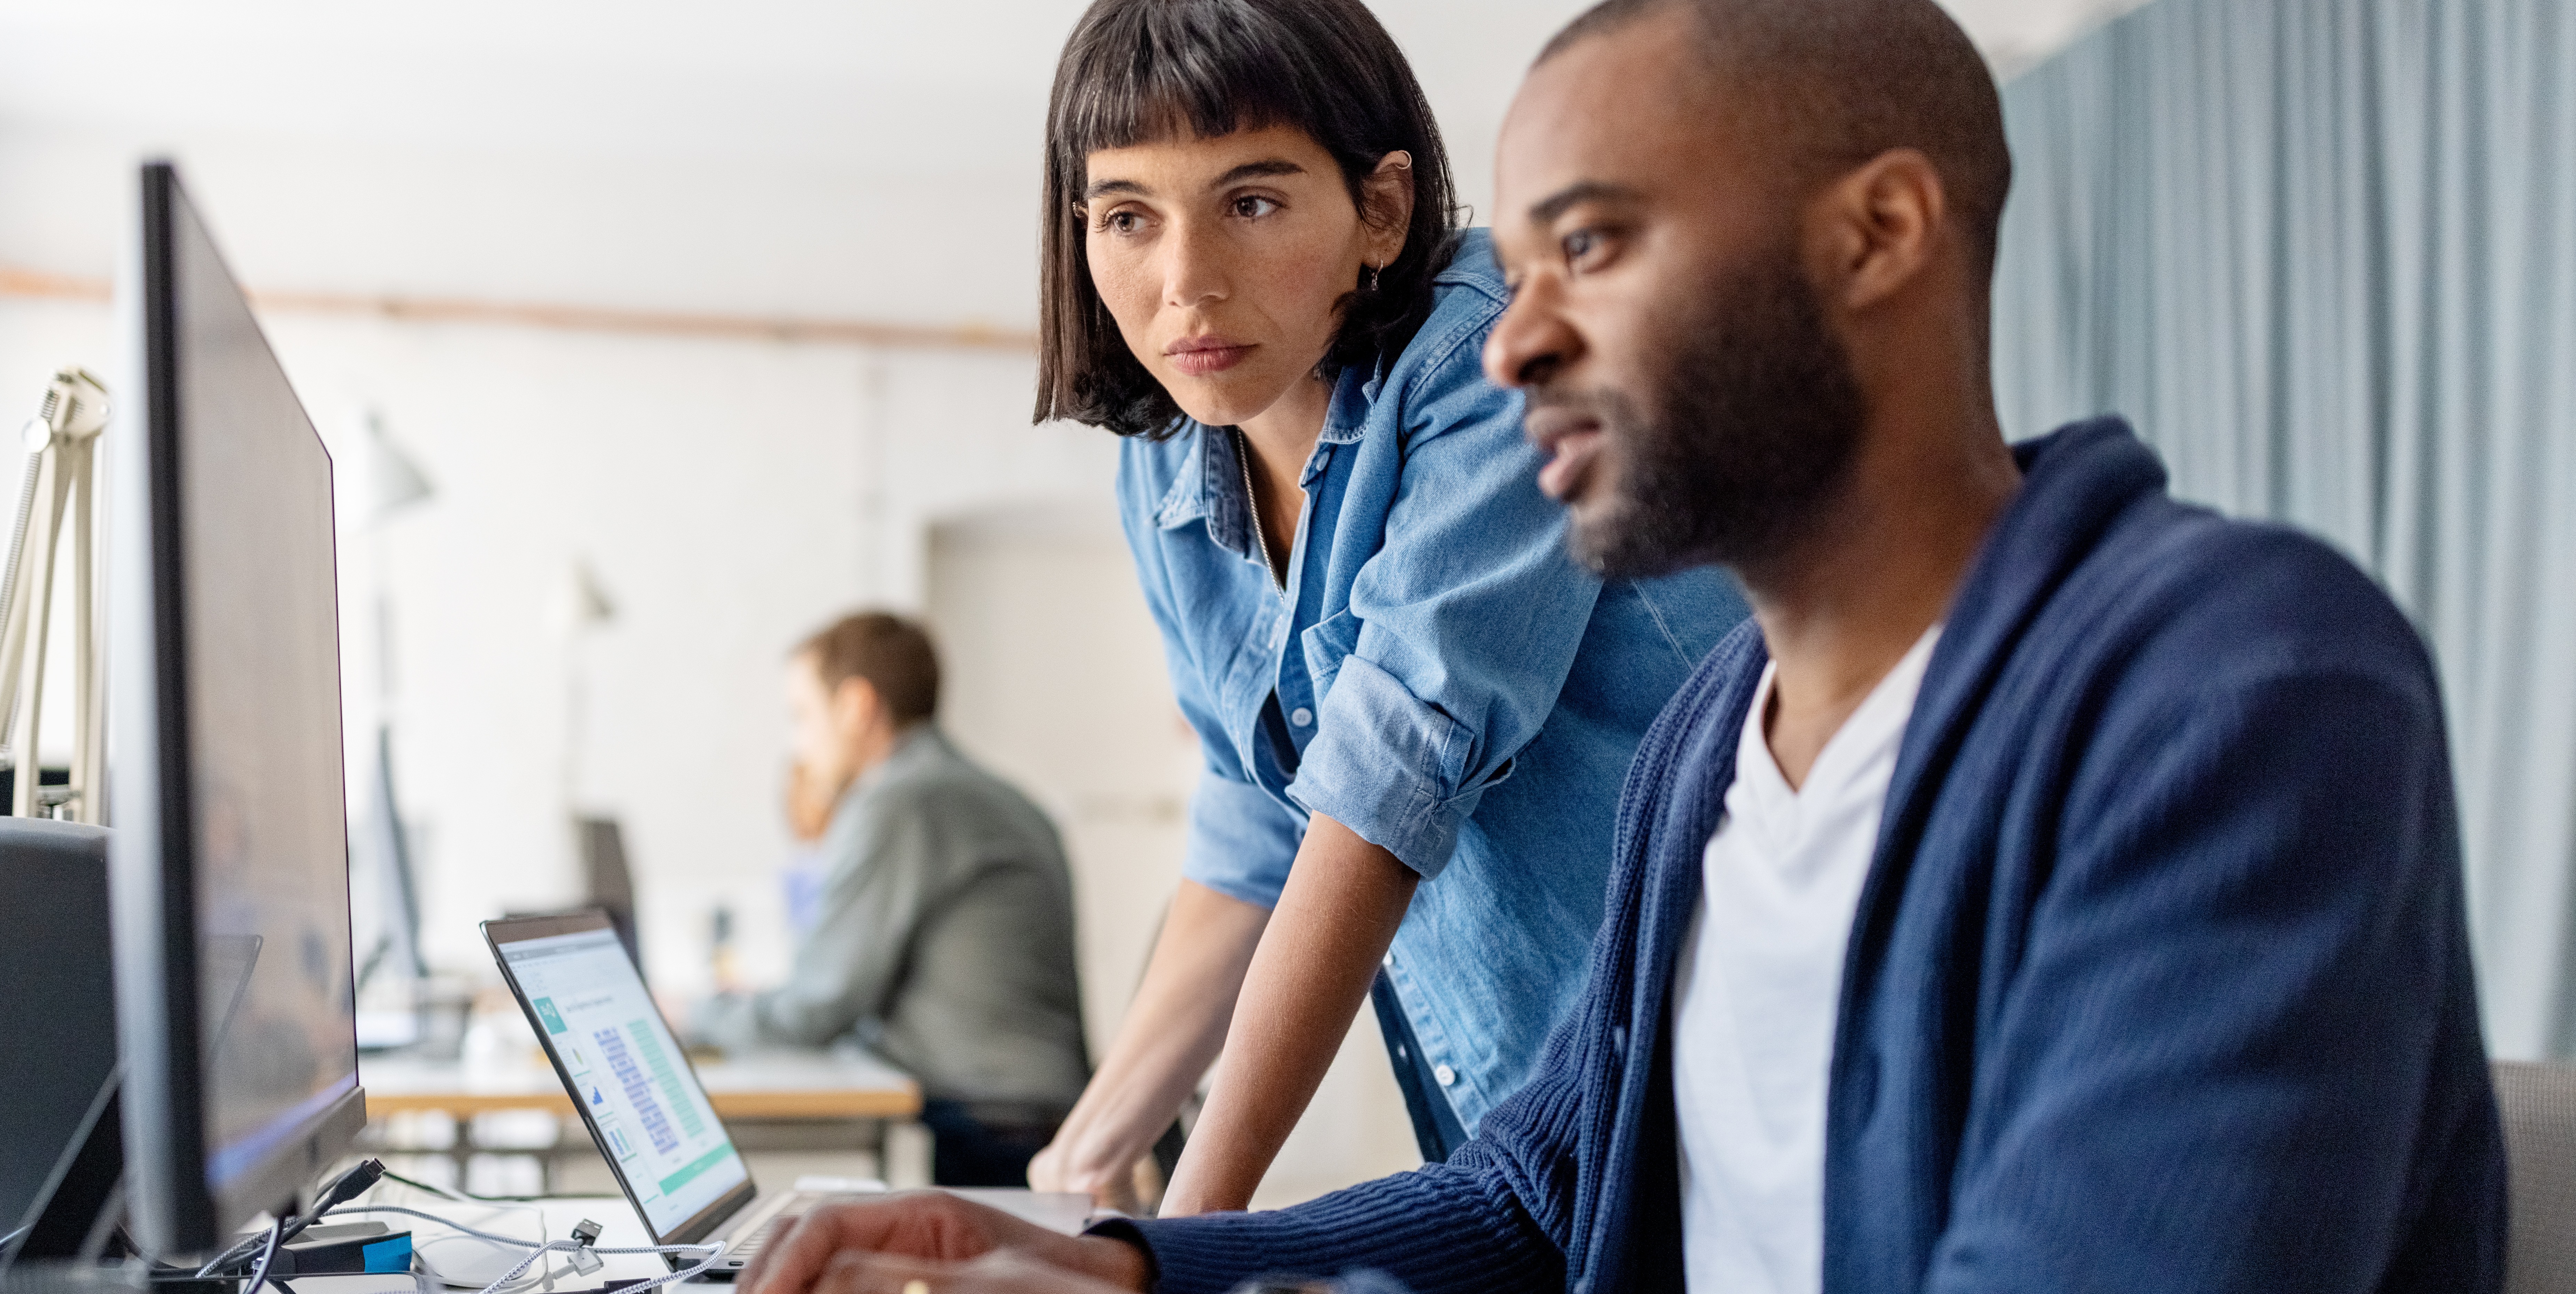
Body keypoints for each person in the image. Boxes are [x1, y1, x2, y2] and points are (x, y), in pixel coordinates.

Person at [737, 0, 2506, 1288]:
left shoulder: (2236, 692)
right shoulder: (1713, 742)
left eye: (1585, 246)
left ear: (1877, 234)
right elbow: (1534, 1198)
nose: (1508, 348)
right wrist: (1120, 1264)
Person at [1020, 0, 1747, 1216]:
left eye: (1249, 203)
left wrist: (1184, 1237)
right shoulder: (1166, 458)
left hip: (1727, 1072)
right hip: (1530, 1129)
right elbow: (1256, 827)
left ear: (1382, 211)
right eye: (1127, 217)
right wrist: (1084, 1165)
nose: (1184, 283)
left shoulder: (1500, 356)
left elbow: (1386, 780)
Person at [686, 612, 1090, 1187]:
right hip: (1036, 1117)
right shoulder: (989, 793)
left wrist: (697, 1013)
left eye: (801, 716)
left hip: (988, 1130)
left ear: (856, 706)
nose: (797, 743)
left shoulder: (901, 802)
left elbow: (817, 1007)